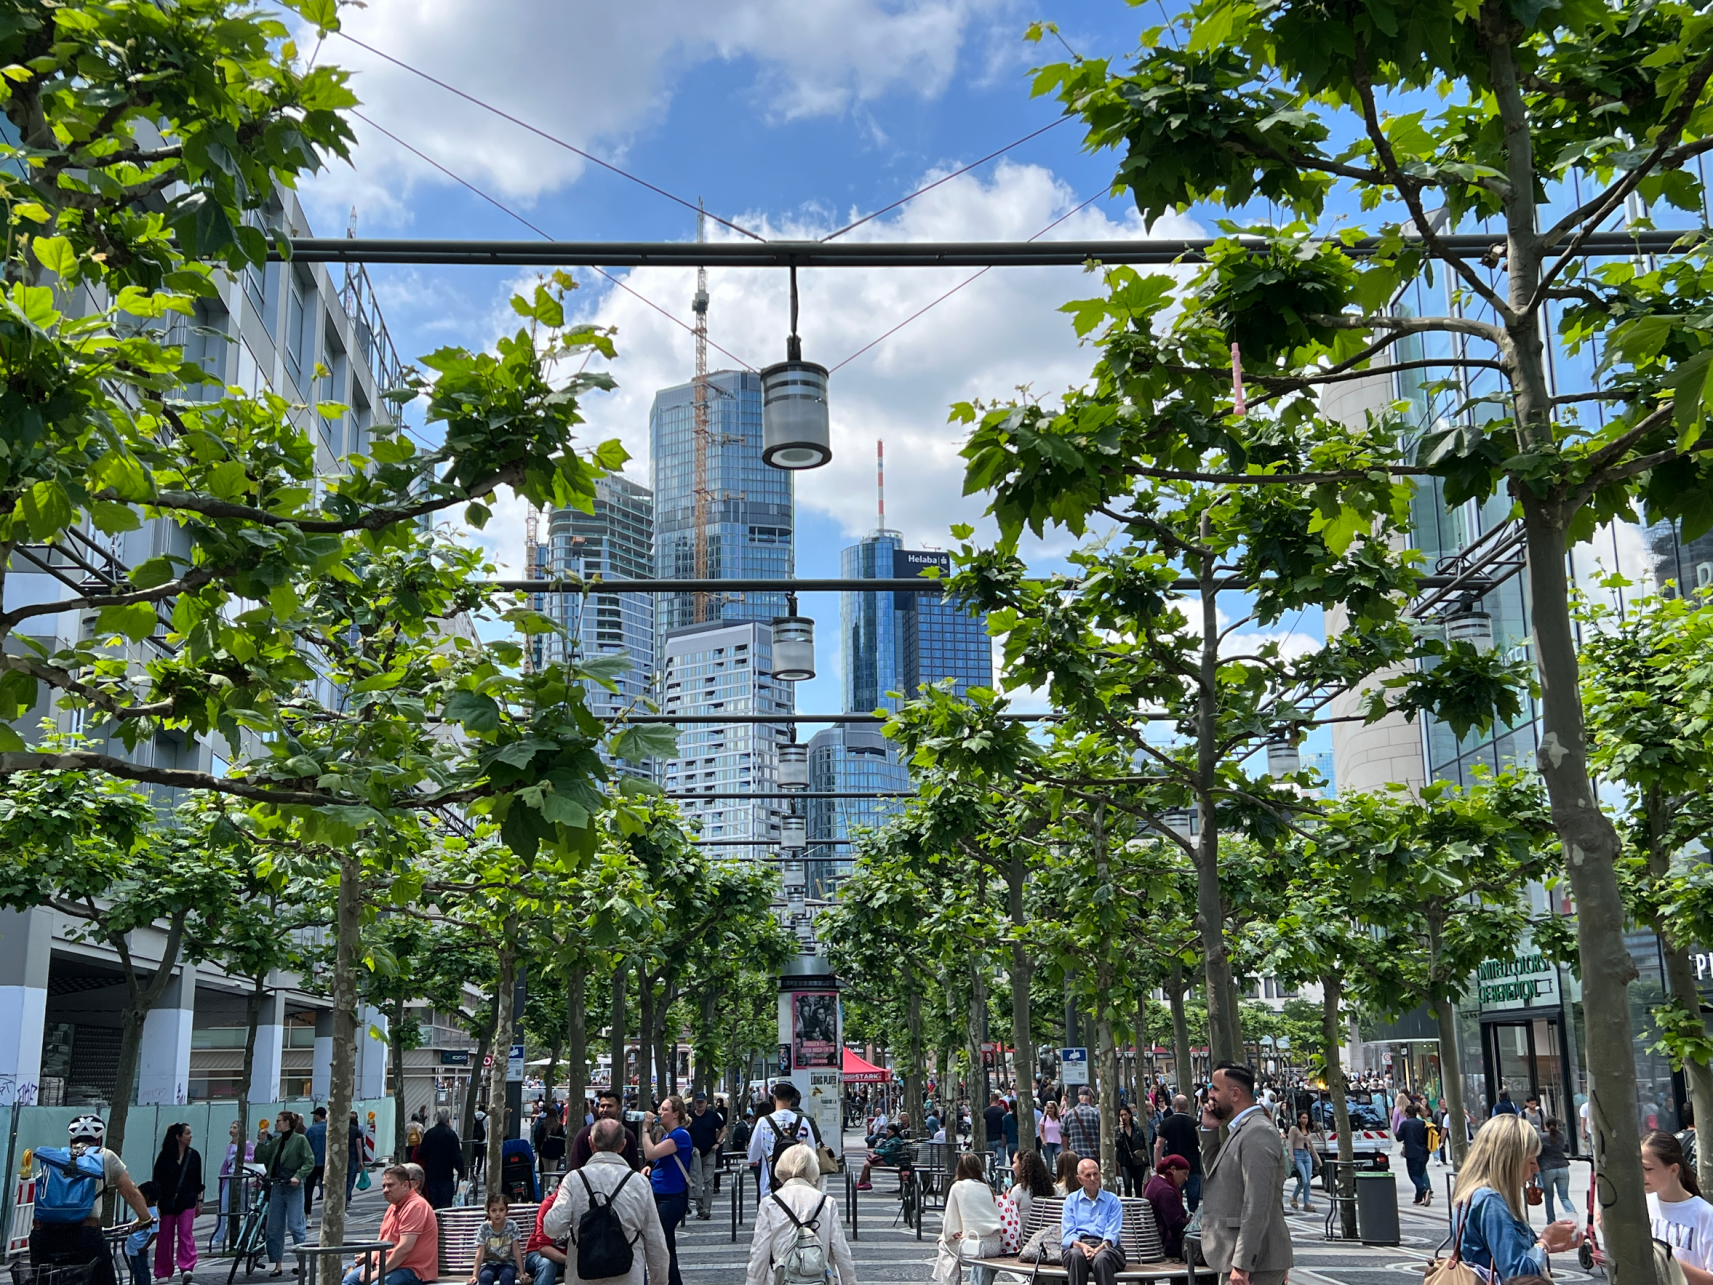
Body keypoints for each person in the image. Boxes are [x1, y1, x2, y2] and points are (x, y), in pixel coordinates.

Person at [1197, 1062, 1293, 1285]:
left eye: (1215, 1088)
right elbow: (1216, 1177)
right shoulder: (1242, 1129)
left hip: (1253, 1263)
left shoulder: (1257, 1131)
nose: (1209, 1095)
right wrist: (1209, 1131)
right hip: (1237, 1258)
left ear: (1235, 1094)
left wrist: (1242, 1263)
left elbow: (1257, 1203)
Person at [29, 1115, 154, 1285]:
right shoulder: (105, 1156)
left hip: (44, 1235)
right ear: (99, 1139)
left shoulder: (55, 1158)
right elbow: (129, 1190)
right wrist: (145, 1218)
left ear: (71, 1139)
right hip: (85, 1235)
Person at [542, 1119, 668, 1285]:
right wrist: (659, 1281)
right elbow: (655, 1240)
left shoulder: (574, 1180)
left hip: (583, 1274)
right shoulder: (639, 1182)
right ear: (623, 1145)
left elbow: (552, 1228)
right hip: (628, 1275)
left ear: (590, 1143)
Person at [1452, 1115, 1579, 1279]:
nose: (1537, 1169)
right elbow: (1518, 1275)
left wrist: (1547, 1246)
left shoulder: (1472, 1193)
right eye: (1531, 1162)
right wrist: (1545, 1241)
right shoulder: (1490, 1201)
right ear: (1510, 1162)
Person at [744, 1142, 858, 1285]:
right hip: (819, 1278)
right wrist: (850, 1281)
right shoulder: (826, 1202)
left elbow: (760, 1252)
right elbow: (840, 1250)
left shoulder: (770, 1203)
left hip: (780, 1278)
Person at [343, 1166, 439, 1285]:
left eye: (390, 1185)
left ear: (405, 1185)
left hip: (410, 1269)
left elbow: (404, 1248)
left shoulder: (416, 1205)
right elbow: (380, 1242)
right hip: (385, 1264)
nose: (385, 1190)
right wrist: (368, 1264)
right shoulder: (393, 1206)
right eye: (383, 1186)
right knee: (346, 1277)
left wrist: (377, 1273)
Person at [1644, 1129, 1713, 1285]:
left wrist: (1668, 1259)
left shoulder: (1704, 1214)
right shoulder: (1643, 1206)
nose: (1641, 1175)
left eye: (1648, 1169)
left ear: (1673, 1169)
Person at [640, 1095, 693, 1285]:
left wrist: (645, 1129)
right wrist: (650, 1168)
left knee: (662, 1244)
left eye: (664, 1109)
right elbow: (659, 1160)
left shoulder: (680, 1135)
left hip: (671, 1197)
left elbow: (651, 1152)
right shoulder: (668, 1135)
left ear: (675, 1114)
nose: (659, 1113)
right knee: (666, 1244)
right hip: (660, 1194)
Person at [256, 1110, 314, 1278]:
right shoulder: (277, 1141)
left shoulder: (300, 1140)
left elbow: (309, 1161)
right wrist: (261, 1142)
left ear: (287, 1123)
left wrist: (298, 1176)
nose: (276, 1123)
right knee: (273, 1228)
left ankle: (301, 1262)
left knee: (296, 1226)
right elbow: (262, 1158)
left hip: (293, 1187)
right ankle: (277, 1264)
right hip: (277, 1186)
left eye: (279, 1121)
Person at [936, 1153, 1004, 1285]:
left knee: (944, 1246)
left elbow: (950, 1221)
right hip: (994, 1245)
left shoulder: (957, 1187)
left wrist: (946, 1236)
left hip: (975, 1246)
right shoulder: (987, 1187)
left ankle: (951, 1283)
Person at [151, 1122, 204, 1285]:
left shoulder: (194, 1155)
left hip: (187, 1199)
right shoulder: (164, 1157)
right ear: (178, 1136)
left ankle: (187, 1267)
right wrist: (156, 1203)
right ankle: (162, 1271)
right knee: (164, 1236)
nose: (190, 1136)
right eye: (187, 1133)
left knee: (185, 1233)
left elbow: (197, 1180)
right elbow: (157, 1181)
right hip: (167, 1201)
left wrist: (199, 1201)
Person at [746, 1082, 817, 1199]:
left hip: (770, 1186)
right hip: (799, 1186)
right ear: (792, 1100)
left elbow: (753, 1157)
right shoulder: (803, 1121)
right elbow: (812, 1153)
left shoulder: (763, 1122)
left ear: (774, 1099)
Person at [1060, 1157, 1124, 1285]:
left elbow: (1112, 1233)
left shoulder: (1112, 1200)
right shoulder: (1071, 1201)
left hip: (1107, 1247)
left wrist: (1099, 1248)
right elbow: (1068, 1234)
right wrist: (1082, 1246)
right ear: (1080, 1179)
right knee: (1076, 1256)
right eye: (1088, 1175)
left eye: (1095, 1174)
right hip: (1078, 1246)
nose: (1093, 1179)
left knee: (1101, 1259)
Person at [567, 1090, 641, 1172]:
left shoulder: (628, 1135)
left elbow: (634, 1167)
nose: (605, 1109)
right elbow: (575, 1166)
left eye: (610, 1106)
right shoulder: (584, 1134)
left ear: (619, 1108)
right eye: (602, 1106)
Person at [1153, 1095, 1203, 1214]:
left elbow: (1158, 1146)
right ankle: (1192, 1226)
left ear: (1174, 1106)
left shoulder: (1166, 1122)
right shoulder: (1195, 1124)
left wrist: (1158, 1166)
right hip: (1193, 1166)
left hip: (1173, 1168)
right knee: (1193, 1203)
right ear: (1187, 1106)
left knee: (1174, 1199)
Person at [212, 1119, 254, 1251]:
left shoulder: (247, 1144)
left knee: (244, 1206)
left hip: (242, 1179)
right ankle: (218, 1236)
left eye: (235, 1128)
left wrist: (240, 1156)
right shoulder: (229, 1145)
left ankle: (250, 1232)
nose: (232, 1130)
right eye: (231, 1127)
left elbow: (253, 1158)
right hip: (229, 1177)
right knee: (223, 1207)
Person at [469, 1192, 528, 1285]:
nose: (497, 1214)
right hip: (488, 1265)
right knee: (485, 1277)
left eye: (501, 1210)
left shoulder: (512, 1225)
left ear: (506, 1211)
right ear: (488, 1211)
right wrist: (474, 1276)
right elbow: (480, 1253)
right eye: (494, 1210)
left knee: (507, 1277)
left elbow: (516, 1251)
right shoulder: (484, 1228)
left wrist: (522, 1273)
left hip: (507, 1263)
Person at [685, 1092, 725, 1221]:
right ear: (695, 1103)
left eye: (702, 1102)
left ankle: (706, 1209)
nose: (700, 1104)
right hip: (694, 1154)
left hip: (709, 1152)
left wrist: (718, 1143)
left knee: (708, 1181)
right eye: (698, 1102)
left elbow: (724, 1129)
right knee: (696, 1181)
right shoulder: (689, 1117)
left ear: (706, 1102)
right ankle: (700, 1208)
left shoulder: (713, 1116)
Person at [1143, 1156, 1190, 1262]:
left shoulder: (1154, 1181)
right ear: (1173, 1170)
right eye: (1184, 1173)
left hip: (1152, 1241)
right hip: (1164, 1246)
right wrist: (1193, 1220)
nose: (1186, 1178)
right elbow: (1175, 1224)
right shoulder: (1165, 1191)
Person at [418, 1109, 466, 1211]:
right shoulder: (451, 1135)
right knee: (446, 1203)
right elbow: (457, 1155)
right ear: (448, 1119)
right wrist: (461, 1172)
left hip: (431, 1174)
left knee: (433, 1202)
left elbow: (421, 1153)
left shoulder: (429, 1134)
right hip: (446, 1174)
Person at [1006, 1150, 1054, 1248]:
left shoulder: (1019, 1190)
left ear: (1022, 1166)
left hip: (1024, 1241)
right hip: (1045, 1241)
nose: (1012, 1166)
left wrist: (1006, 1198)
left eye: (1014, 1163)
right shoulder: (1050, 1189)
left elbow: (1008, 1216)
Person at [521, 1200, 568, 1285]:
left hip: (564, 1261)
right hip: (537, 1255)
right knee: (547, 1264)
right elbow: (543, 1248)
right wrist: (570, 1261)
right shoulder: (549, 1205)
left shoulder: (582, 1204)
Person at [1397, 1103, 1432, 1207]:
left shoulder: (1405, 1124)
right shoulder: (1422, 1123)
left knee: (1413, 1175)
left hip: (1412, 1153)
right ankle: (1418, 1198)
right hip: (1424, 1152)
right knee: (1420, 1173)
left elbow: (1399, 1137)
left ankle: (1424, 1189)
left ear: (1407, 1114)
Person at [1537, 1118, 1572, 1223]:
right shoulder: (1561, 1136)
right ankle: (1574, 1218)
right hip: (1562, 1167)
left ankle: (1551, 1221)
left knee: (1548, 1197)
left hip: (1547, 1168)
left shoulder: (1542, 1137)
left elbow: (1538, 1152)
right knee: (1564, 1197)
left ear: (1544, 1125)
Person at [857, 1123, 910, 1191]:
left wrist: (876, 1151)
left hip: (889, 1160)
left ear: (893, 1132)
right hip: (887, 1159)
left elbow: (886, 1152)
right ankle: (866, 1182)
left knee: (866, 1165)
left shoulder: (895, 1141)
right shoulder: (891, 1139)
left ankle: (862, 1182)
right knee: (866, 1163)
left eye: (888, 1131)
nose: (886, 1133)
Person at [127, 1182, 160, 1285]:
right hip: (134, 1246)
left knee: (142, 1270)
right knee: (136, 1271)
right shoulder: (143, 1210)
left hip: (140, 1246)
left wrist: (145, 1247)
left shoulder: (152, 1213)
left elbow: (155, 1232)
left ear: (147, 1197)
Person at [1285, 1111, 1316, 1213]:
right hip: (1298, 1155)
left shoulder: (1308, 1130)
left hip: (1307, 1156)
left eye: (1306, 1118)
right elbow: (1289, 1143)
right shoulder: (1294, 1129)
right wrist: (1291, 1157)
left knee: (1308, 1181)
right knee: (1304, 1180)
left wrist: (1318, 1161)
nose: (1305, 1120)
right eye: (1303, 1118)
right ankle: (1293, 1197)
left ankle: (1307, 1203)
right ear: (1298, 1119)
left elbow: (1311, 1146)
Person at [1114, 1106, 1148, 1198]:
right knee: (1127, 1184)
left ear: (1130, 1115)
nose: (1123, 1117)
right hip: (1125, 1161)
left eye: (1125, 1114)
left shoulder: (1137, 1129)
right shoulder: (1117, 1130)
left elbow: (1143, 1146)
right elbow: (1118, 1144)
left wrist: (1147, 1164)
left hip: (1138, 1161)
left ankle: (1138, 1207)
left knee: (1138, 1186)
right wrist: (1121, 1132)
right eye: (1121, 1115)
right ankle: (1129, 1207)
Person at [1063, 1087, 1101, 1163]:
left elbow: (1064, 1135)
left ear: (1078, 1098)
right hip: (1094, 1157)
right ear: (1090, 1098)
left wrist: (1067, 1152)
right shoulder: (1097, 1113)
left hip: (1076, 1157)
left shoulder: (1069, 1114)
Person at [305, 1109, 328, 1217]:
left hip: (312, 1163)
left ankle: (307, 1215)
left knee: (308, 1190)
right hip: (327, 1164)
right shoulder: (331, 1129)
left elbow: (305, 1148)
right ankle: (330, 1213)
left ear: (318, 1116)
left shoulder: (311, 1130)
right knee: (329, 1189)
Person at [983, 1093, 1008, 1165]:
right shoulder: (1002, 1111)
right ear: (998, 1101)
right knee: (1001, 1161)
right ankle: (1001, 1175)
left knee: (991, 1160)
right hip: (1000, 1139)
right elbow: (1004, 1126)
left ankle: (992, 1173)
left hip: (989, 1139)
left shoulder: (985, 1112)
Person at [1039, 1100, 1063, 1169]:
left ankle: (1059, 1178)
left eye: (1051, 1108)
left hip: (1058, 1143)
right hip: (1047, 1143)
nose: (1049, 1109)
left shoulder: (1059, 1119)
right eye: (1048, 1108)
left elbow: (1061, 1130)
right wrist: (1043, 1140)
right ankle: (1049, 1178)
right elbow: (1041, 1131)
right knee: (1049, 1164)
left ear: (1055, 1109)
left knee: (1059, 1162)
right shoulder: (1044, 1119)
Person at [347, 1112, 365, 1200]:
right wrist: (361, 1161)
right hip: (352, 1157)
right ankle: (345, 1200)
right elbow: (359, 1146)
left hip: (342, 1158)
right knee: (350, 1181)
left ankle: (346, 1200)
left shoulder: (339, 1129)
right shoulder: (356, 1130)